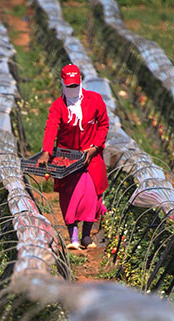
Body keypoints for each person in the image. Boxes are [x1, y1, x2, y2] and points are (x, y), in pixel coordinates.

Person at [38, 64, 109, 250]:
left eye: (75, 86)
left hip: (90, 158)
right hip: (67, 159)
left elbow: (103, 124)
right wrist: (47, 151)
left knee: (90, 195)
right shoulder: (58, 106)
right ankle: (74, 236)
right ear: (62, 84)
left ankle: (86, 235)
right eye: (69, 86)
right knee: (70, 196)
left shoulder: (94, 100)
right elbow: (51, 127)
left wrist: (94, 147)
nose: (72, 89)